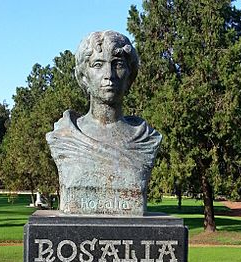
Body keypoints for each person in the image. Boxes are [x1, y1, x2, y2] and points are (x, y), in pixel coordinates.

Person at [46, 30, 161, 215]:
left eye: (118, 64)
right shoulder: (64, 137)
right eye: (98, 65)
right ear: (83, 77)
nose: (109, 75)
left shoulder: (146, 140)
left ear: (130, 76)